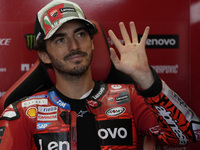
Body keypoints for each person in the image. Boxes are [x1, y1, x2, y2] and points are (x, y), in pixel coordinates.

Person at [0, 0, 200, 149]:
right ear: (44, 55)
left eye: (80, 34)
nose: (74, 46)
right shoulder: (23, 113)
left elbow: (189, 134)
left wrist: (148, 79)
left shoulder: (130, 98)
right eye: (60, 39)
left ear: (93, 42)